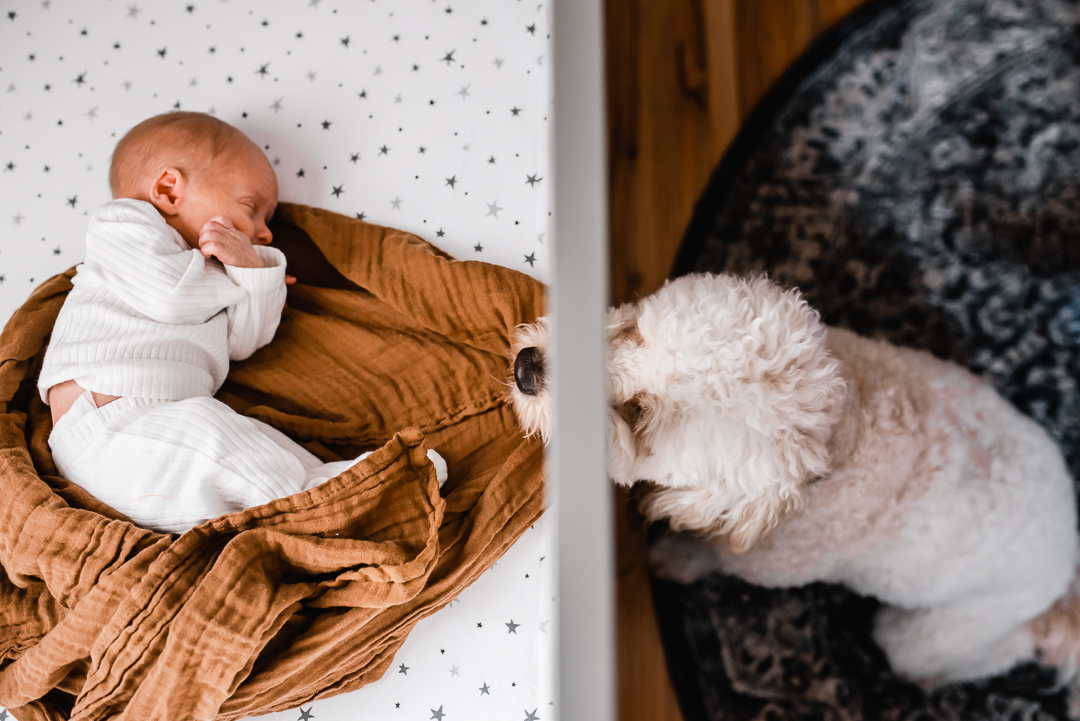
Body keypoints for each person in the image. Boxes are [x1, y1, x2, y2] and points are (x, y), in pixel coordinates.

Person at [39, 112, 445, 534]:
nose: (265, 233)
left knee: (255, 444)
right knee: (218, 441)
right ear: (167, 190)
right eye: (251, 208)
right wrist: (236, 275)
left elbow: (245, 342)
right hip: (109, 426)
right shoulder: (123, 225)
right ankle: (329, 504)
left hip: (156, 427)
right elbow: (172, 295)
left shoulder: (212, 273)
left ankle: (340, 487)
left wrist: (256, 276)